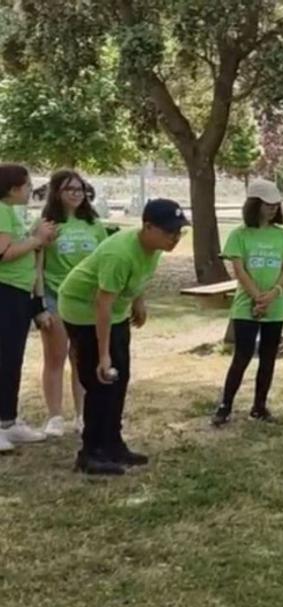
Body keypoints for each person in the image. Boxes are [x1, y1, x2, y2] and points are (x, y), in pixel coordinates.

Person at [58, 199, 188, 475]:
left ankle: (113, 444)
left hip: (115, 312)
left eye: (179, 232)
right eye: (169, 232)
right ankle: (90, 454)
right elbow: (101, 305)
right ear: (148, 226)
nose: (175, 238)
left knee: (120, 377)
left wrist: (138, 302)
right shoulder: (118, 254)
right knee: (99, 379)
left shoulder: (153, 246)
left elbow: (138, 276)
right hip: (83, 310)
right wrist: (103, 355)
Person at [212, 179, 283, 426]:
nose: (272, 209)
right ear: (254, 204)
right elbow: (239, 269)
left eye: (275, 205)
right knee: (242, 355)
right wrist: (257, 296)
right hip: (246, 306)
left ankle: (259, 406)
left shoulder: (282, 236)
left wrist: (274, 293)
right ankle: (225, 405)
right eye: (267, 204)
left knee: (268, 357)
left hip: (276, 305)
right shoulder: (239, 234)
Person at [35, 170, 108, 438]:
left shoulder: (94, 224)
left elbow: (104, 261)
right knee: (55, 358)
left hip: (86, 300)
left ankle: (82, 414)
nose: (76, 194)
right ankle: (55, 416)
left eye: (80, 189)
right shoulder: (47, 224)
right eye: (69, 189)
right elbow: (37, 266)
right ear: (56, 192)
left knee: (82, 359)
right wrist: (39, 304)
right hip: (55, 297)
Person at [0, 163, 57, 453]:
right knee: (4, 357)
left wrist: (35, 235)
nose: (30, 189)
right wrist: (36, 239)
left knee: (13, 358)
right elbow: (4, 253)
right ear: (12, 189)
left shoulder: (13, 213)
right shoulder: (1, 211)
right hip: (5, 293)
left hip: (20, 294)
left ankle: (8, 421)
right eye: (26, 185)